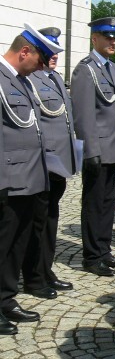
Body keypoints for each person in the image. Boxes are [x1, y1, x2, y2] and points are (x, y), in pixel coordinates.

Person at [0, 24, 63, 334]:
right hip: (8, 182)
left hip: (30, 180)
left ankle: (6, 299)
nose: (41, 67)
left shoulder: (21, 81)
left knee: (17, 244)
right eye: (39, 60)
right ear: (24, 51)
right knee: (2, 244)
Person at [70, 17, 115, 277]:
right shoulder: (85, 70)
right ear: (94, 38)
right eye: (107, 37)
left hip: (113, 148)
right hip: (97, 149)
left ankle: (104, 248)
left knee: (108, 202)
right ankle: (92, 256)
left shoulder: (111, 68)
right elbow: (84, 115)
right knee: (94, 202)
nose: (112, 41)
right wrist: (90, 151)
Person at [21, 27, 77, 301]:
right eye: (49, 51)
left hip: (58, 164)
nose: (54, 56)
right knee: (37, 222)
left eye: (55, 51)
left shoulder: (54, 78)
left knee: (50, 219)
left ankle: (45, 269)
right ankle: (34, 275)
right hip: (42, 163)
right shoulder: (31, 79)